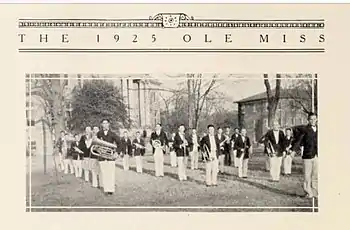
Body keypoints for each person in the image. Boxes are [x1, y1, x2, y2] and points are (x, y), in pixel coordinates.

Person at [291, 113, 318, 198]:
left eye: (314, 119)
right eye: (311, 119)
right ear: (308, 120)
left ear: (317, 119)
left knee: (315, 175)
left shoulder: (320, 129)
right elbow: (299, 140)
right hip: (307, 156)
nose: (313, 121)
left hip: (317, 156)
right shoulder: (305, 129)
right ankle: (308, 192)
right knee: (307, 175)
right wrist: (293, 150)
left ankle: (315, 192)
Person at [97, 119, 120, 195]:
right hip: (102, 156)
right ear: (102, 125)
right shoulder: (98, 134)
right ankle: (106, 189)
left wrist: (117, 153)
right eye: (103, 123)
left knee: (111, 173)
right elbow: (95, 145)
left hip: (111, 157)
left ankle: (111, 189)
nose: (105, 125)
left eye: (106, 123)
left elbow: (119, 143)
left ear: (109, 124)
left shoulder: (113, 134)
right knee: (104, 173)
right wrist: (98, 150)